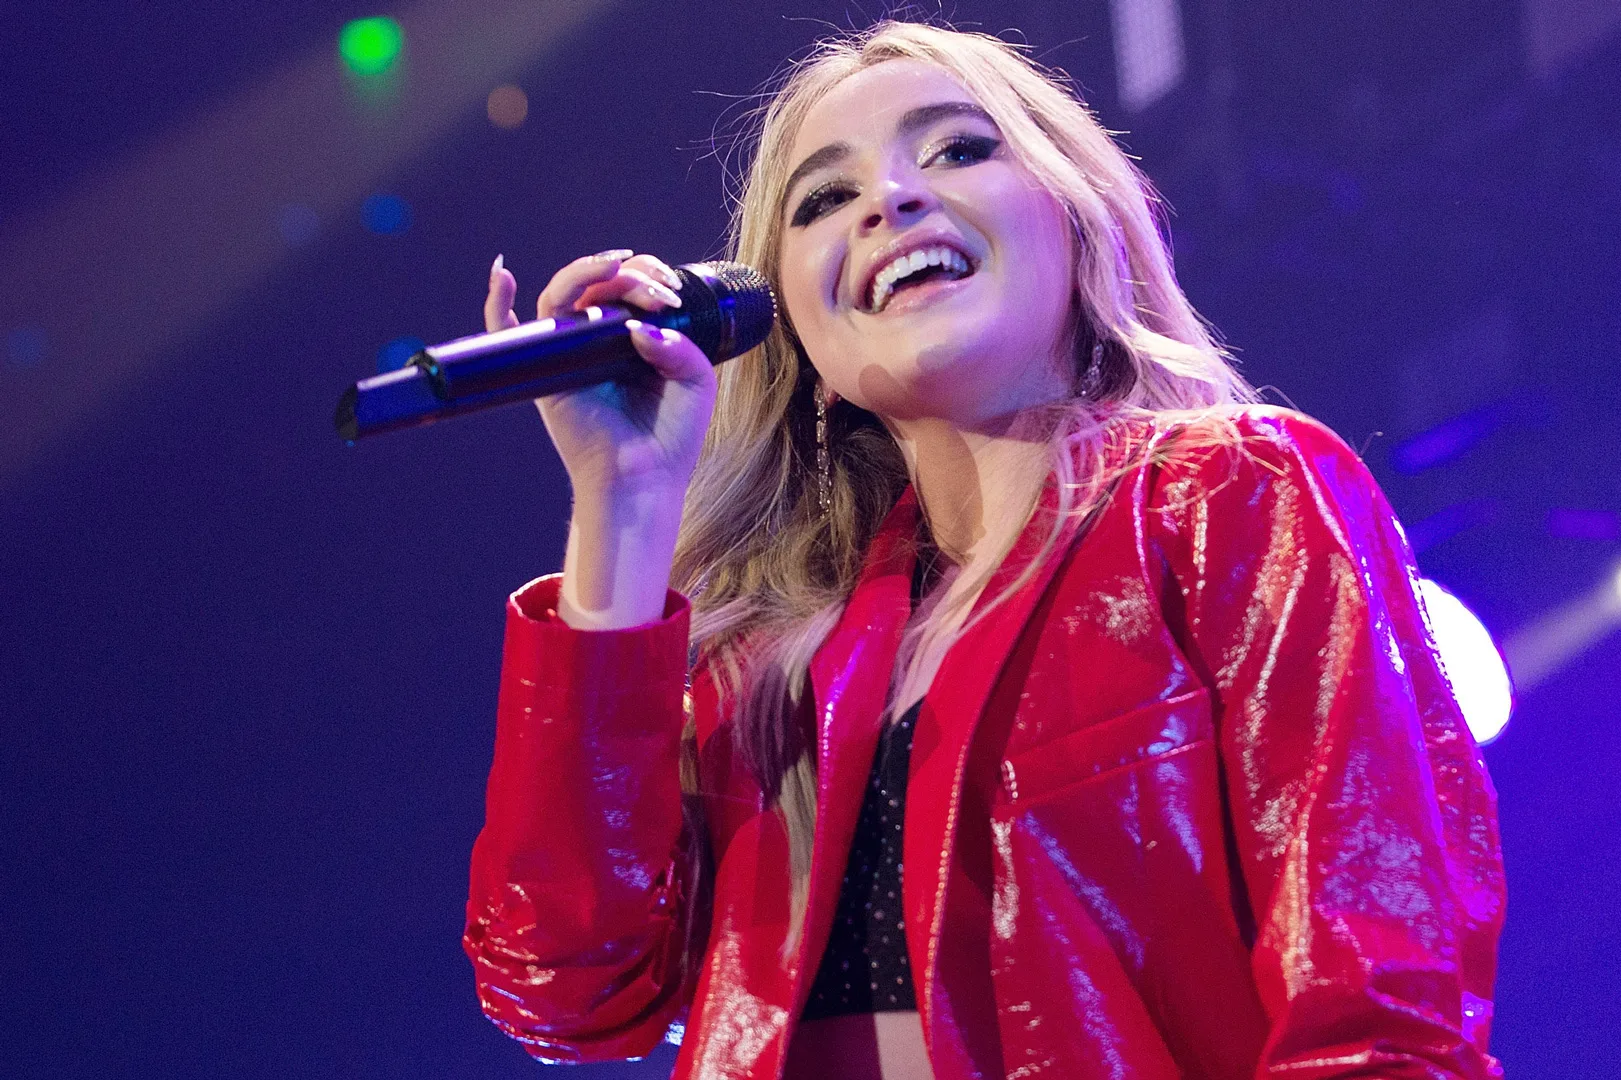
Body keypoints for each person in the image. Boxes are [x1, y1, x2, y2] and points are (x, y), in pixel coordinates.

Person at [463, 20, 1505, 1080]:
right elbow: (565, 987)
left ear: (1077, 222)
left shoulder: (1231, 498)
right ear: (800, 335)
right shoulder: (765, 674)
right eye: (823, 200)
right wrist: (625, 500)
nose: (888, 202)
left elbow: (1380, 1006)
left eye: (959, 149)